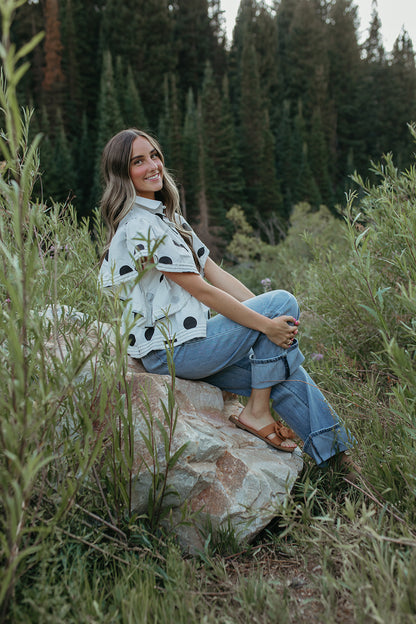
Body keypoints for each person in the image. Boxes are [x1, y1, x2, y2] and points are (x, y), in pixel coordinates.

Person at [99, 128, 355, 467]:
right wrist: (267, 322)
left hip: (195, 343)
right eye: (138, 161)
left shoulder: (168, 219)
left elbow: (215, 273)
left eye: (155, 155)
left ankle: (337, 459)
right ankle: (257, 412)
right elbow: (201, 289)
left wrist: (274, 326)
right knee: (281, 305)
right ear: (122, 173)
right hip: (172, 351)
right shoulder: (139, 226)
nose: (152, 165)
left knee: (284, 367)